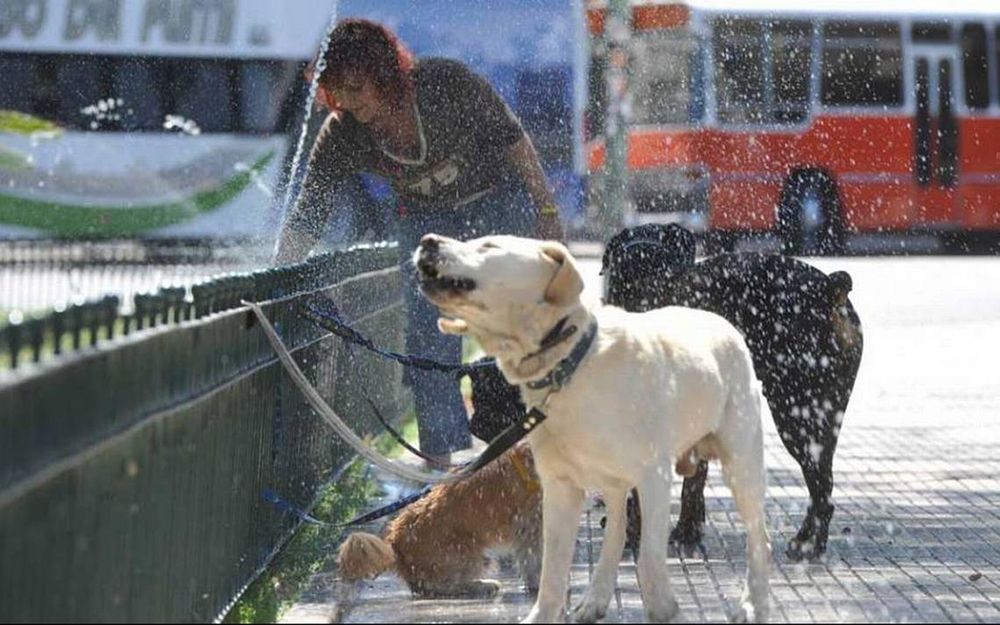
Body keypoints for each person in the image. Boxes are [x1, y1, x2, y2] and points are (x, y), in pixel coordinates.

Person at [274, 19, 565, 467]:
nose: (350, 102)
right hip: (426, 219)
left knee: (518, 320)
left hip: (498, 201)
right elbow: (310, 210)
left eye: (357, 87)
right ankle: (439, 465)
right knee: (427, 331)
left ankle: (534, 447)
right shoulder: (343, 132)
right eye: (338, 92)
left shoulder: (446, 83)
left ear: (385, 73)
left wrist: (547, 212)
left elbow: (515, 141)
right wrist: (278, 276)